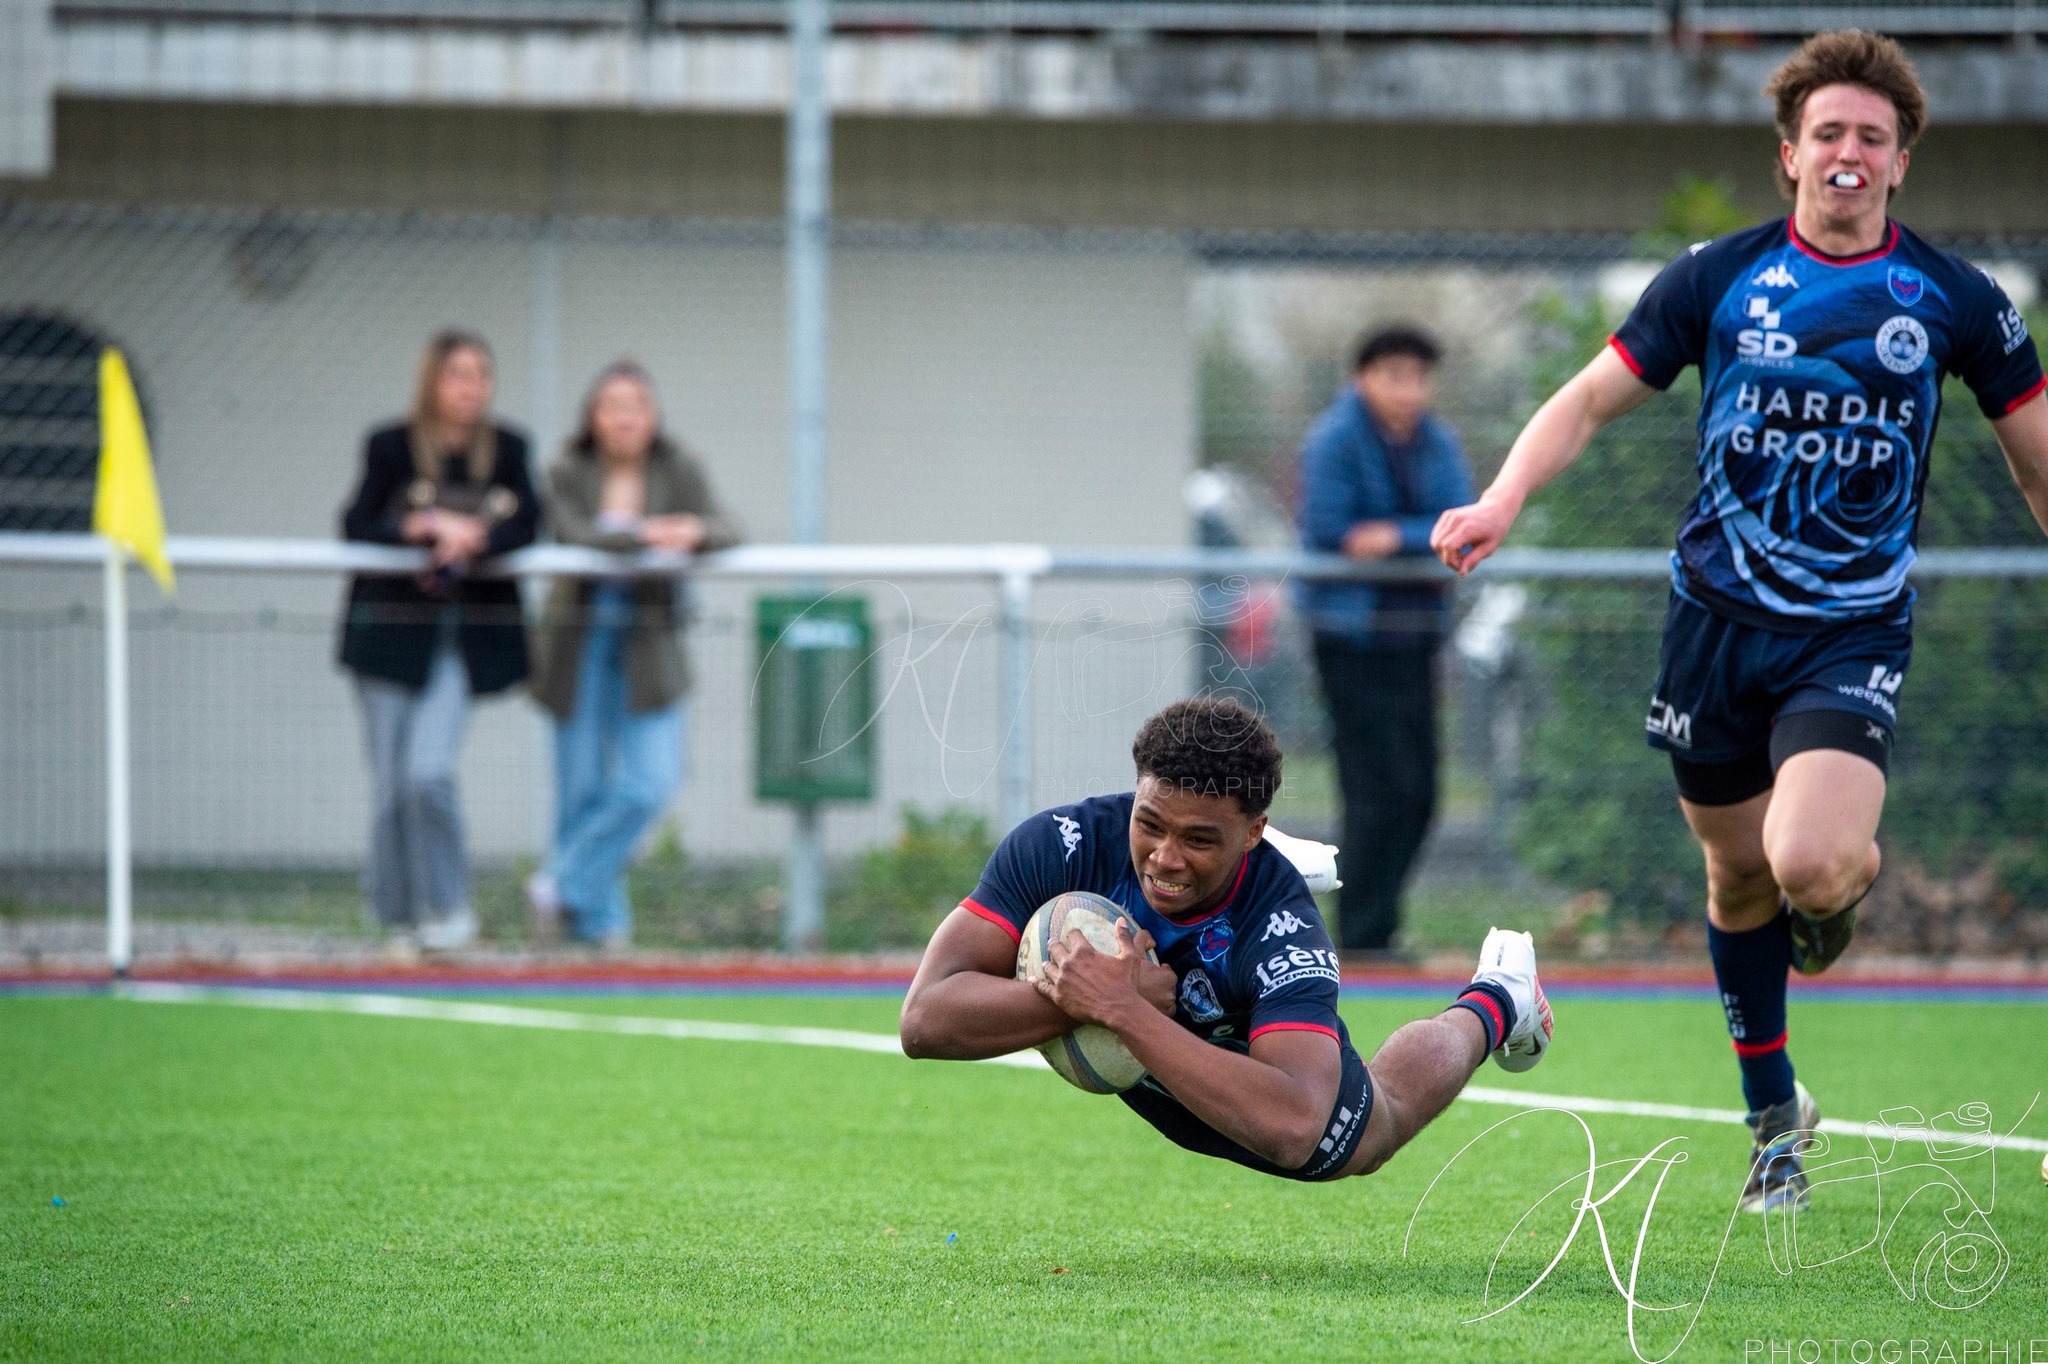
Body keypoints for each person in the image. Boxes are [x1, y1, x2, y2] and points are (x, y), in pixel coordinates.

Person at [1428, 30, 2048, 1213]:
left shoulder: (1956, 301)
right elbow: (1590, 395)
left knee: (1805, 862)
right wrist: (1502, 495)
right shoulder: (1716, 278)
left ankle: (1834, 896)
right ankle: (1773, 1119)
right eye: (1828, 135)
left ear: (1900, 161)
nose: (1848, 155)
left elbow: (2033, 462)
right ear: (1789, 155)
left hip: (1848, 630)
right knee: (1734, 876)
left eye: (1871, 136)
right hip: (1711, 624)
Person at [899, 697, 1552, 1184]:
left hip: (1233, 1053)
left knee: (1369, 1134)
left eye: (1198, 838)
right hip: (1152, 1036)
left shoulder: (1285, 931)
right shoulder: (1064, 844)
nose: (1163, 857)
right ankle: (1221, 867)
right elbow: (924, 1022)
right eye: (1150, 824)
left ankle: (1499, 995)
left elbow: (1296, 1126)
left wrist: (1122, 1011)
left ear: (1250, 829)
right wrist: (1090, 997)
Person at [526, 361, 741, 949]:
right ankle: (598, 925)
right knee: (581, 788)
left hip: (652, 641)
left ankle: (560, 885)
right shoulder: (567, 470)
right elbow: (572, 534)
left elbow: (727, 528)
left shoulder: (678, 468)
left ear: (653, 416)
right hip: (579, 636)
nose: (625, 418)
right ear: (592, 416)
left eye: (637, 405)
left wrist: (692, 532)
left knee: (651, 782)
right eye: (612, 405)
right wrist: (647, 534)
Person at [339, 329, 541, 951]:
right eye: (457, 373)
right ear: (432, 380)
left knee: (428, 773)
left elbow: (532, 522)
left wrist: (477, 538)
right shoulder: (390, 446)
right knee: (391, 786)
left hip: (461, 640)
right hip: (391, 638)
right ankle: (398, 916)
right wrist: (423, 525)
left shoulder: (508, 450)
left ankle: (451, 909)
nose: (470, 385)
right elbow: (357, 522)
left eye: (480, 372)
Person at [1295, 325, 1476, 954]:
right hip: (1351, 641)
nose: (1409, 390)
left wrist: (1393, 537)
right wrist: (1418, 534)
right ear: (1361, 378)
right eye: (1394, 374)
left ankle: (1377, 930)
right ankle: (1362, 938)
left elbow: (1463, 519)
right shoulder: (1334, 440)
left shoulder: (1437, 442)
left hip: (1415, 637)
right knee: (1373, 790)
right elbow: (1329, 528)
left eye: (1418, 376)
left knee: (1419, 791)